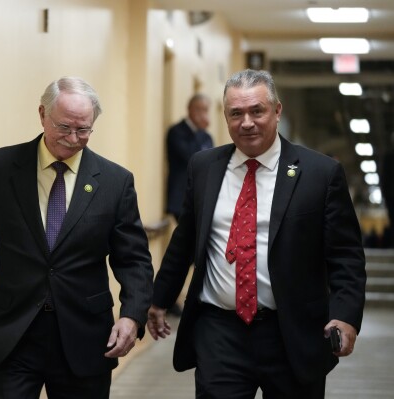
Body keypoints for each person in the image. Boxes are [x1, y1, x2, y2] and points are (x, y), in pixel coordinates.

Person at [147, 69, 366, 398]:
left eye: (257, 111)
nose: (246, 122)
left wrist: (345, 316)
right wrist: (159, 300)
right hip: (220, 330)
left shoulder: (320, 174)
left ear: (277, 111)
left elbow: (345, 255)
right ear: (225, 117)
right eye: (236, 113)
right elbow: (186, 241)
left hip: (292, 331)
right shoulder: (204, 167)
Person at [0, 76, 154, 399]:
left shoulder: (115, 182)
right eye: (64, 127)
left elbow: (134, 259)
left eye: (84, 130)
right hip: (13, 334)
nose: (73, 138)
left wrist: (132, 315)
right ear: (42, 114)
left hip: (85, 337)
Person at [166, 93, 214, 221]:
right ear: (189, 109)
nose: (202, 114)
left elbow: (210, 163)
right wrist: (199, 131)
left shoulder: (206, 136)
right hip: (181, 198)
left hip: (201, 197)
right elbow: (192, 158)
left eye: (205, 110)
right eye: (199, 109)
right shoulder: (176, 131)